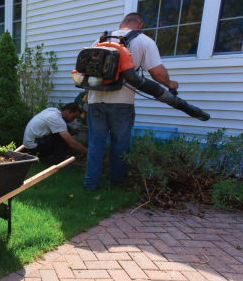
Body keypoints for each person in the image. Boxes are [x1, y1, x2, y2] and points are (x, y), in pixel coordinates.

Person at [83, 12, 179, 191]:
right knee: (120, 144)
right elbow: (156, 72)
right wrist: (170, 83)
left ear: (122, 24)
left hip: (96, 100)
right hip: (122, 103)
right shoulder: (144, 41)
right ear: (140, 25)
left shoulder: (101, 39)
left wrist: (89, 99)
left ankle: (90, 184)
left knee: (96, 143)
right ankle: (117, 183)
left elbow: (88, 72)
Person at [23, 103, 88, 164]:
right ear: (67, 112)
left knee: (65, 129)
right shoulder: (57, 119)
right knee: (65, 132)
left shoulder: (52, 110)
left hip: (30, 145)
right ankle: (58, 162)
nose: (72, 120)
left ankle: (43, 157)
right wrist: (89, 152)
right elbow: (71, 143)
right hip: (34, 147)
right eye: (73, 117)